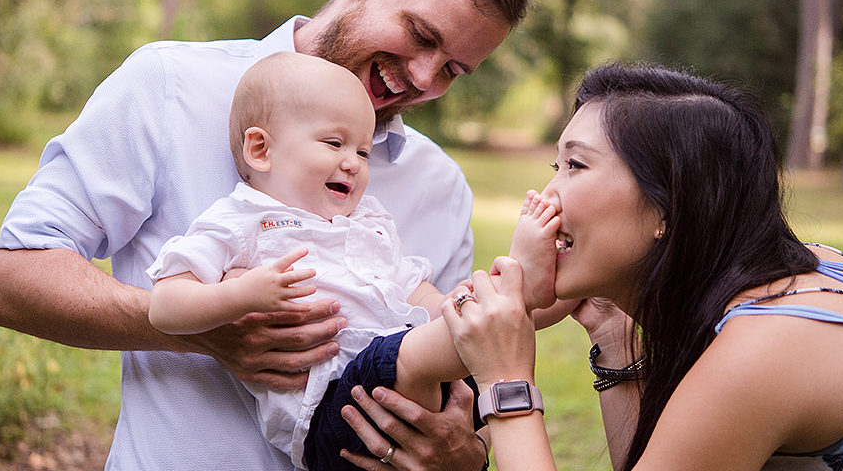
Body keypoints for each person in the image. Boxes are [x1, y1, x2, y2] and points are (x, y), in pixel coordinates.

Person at [0, 0, 530, 470]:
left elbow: (463, 378)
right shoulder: (170, 87)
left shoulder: (441, 185)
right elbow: (9, 279)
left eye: (452, 70)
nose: (420, 76)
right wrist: (201, 327)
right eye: (419, 34)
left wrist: (466, 455)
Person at [350, 61, 843, 470]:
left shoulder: (766, 350)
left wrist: (505, 383)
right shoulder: (794, 274)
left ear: (667, 210)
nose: (545, 196)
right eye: (554, 164)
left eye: (576, 166)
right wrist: (615, 341)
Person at [145, 51, 568, 469]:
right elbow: (164, 306)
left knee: (457, 332)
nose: (352, 163)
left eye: (363, 153)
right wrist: (240, 295)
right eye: (334, 143)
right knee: (421, 349)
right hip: (332, 410)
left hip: (411, 385)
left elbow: (412, 289)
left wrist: (448, 303)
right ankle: (512, 294)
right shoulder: (240, 221)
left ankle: (516, 300)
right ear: (260, 149)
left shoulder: (367, 221)